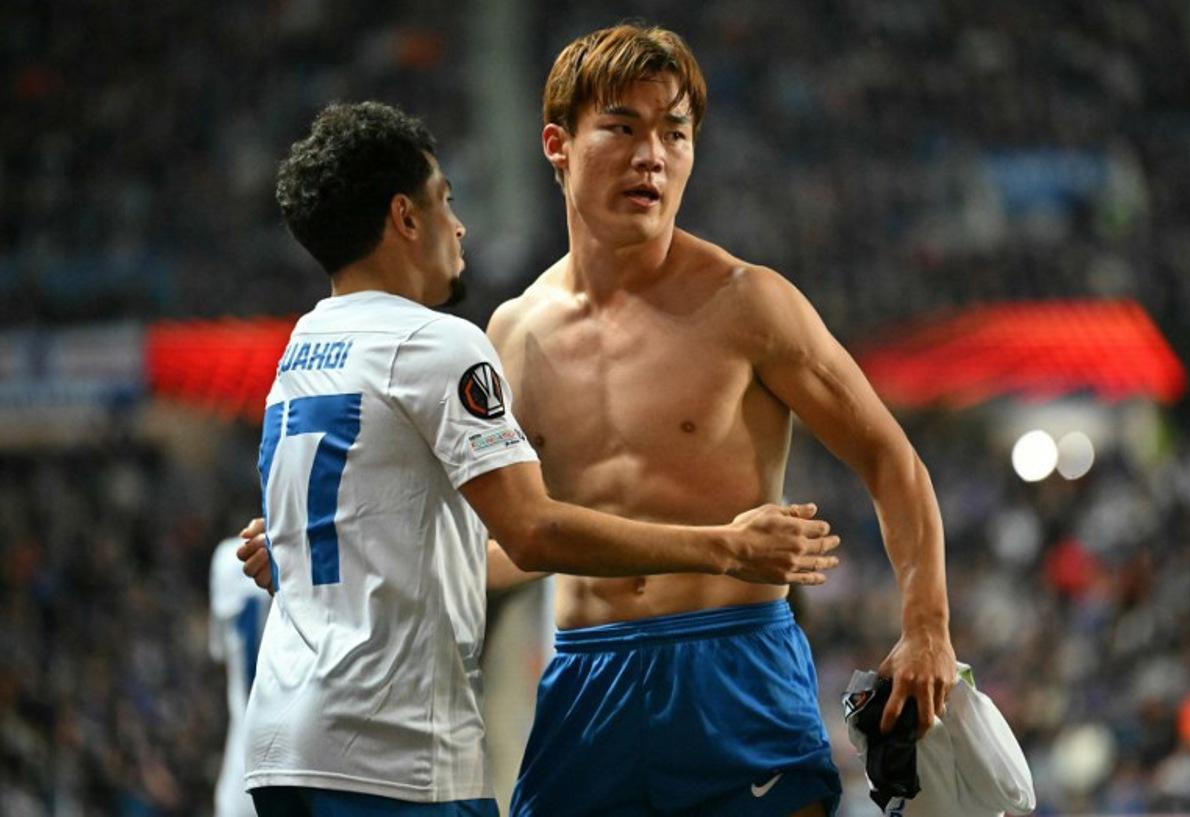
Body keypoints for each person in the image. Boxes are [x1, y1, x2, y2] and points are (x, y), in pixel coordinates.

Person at [240, 100, 839, 817]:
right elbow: (532, 530)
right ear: (405, 217)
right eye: (446, 201)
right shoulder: (441, 343)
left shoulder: (298, 352)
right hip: (392, 747)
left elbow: (370, 539)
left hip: (281, 741)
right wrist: (723, 546)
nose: (458, 226)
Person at [482, 24, 958, 817]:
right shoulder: (512, 334)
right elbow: (513, 544)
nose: (652, 156)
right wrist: (343, 556)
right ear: (557, 144)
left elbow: (890, 459)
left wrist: (928, 625)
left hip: (735, 662)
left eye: (675, 132)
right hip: (585, 674)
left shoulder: (748, 302)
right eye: (623, 127)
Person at [209, 536, 270, 817]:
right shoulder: (310, 550)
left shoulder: (226, 559)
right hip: (302, 769)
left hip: (240, 778)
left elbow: (220, 655)